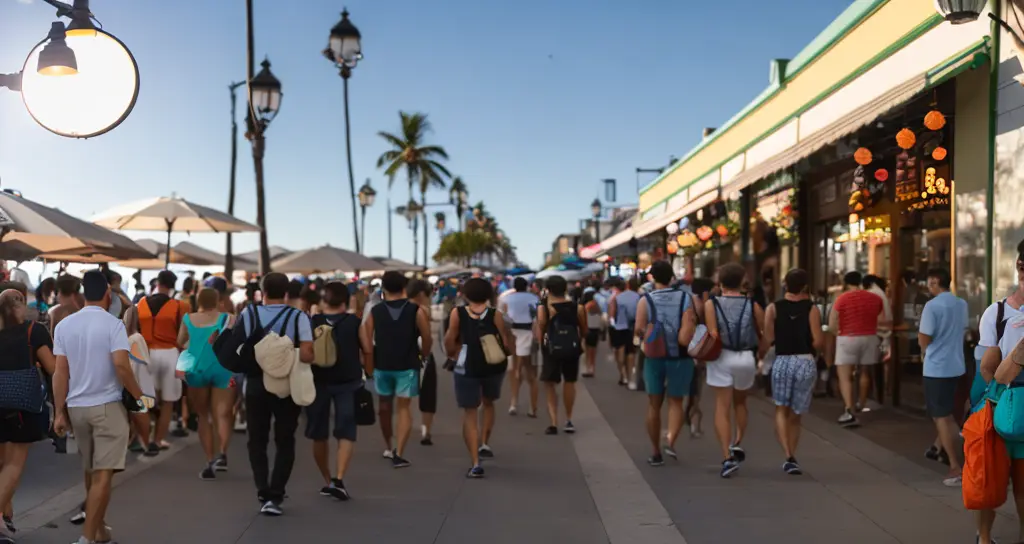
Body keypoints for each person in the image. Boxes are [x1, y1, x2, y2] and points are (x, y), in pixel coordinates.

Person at [52, 270, 148, 544]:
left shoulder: (65, 326)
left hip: (77, 408)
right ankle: (86, 539)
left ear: (83, 295)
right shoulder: (113, 325)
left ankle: (99, 530)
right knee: (103, 475)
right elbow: (120, 365)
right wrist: (140, 397)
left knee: (91, 471)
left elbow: (60, 372)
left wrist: (60, 411)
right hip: (107, 407)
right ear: (108, 293)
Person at [238, 273, 314, 516]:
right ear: (287, 292)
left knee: (256, 440)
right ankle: (276, 493)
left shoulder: (248, 314)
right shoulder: (299, 317)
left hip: (255, 384)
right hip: (286, 385)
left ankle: (263, 491)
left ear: (263, 290)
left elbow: (238, 348)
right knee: (285, 439)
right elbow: (307, 354)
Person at [0, 289, 57, 542]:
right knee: (14, 464)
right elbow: (53, 368)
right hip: (22, 404)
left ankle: (5, 518)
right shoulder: (34, 331)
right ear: (20, 306)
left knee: (2, 465)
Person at [360, 271, 431, 468]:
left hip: (382, 364)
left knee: (384, 407)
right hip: (408, 364)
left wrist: (367, 363)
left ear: (383, 288)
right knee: (404, 407)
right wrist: (423, 355)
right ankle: (399, 452)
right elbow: (426, 337)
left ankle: (388, 445)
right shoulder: (416, 310)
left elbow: (366, 339)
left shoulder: (376, 311)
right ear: (404, 288)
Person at [444, 278, 512, 478]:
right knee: (489, 403)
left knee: (470, 412)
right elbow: (505, 343)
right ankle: (484, 443)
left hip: (467, 364)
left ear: (465, 294)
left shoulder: (458, 313)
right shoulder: (496, 315)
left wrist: (452, 354)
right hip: (493, 365)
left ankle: (475, 463)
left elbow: (450, 339)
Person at [307, 281, 366, 500]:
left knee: (318, 434)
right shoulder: (354, 322)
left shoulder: (312, 322)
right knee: (346, 432)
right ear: (345, 300)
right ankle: (339, 479)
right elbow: (367, 348)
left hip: (318, 383)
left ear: (323, 300)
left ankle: (327, 479)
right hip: (348, 383)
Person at [761, 269, 823, 475]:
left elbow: (768, 338)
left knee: (781, 408)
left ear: (785, 284)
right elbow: (818, 341)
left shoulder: (773, 308)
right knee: (797, 413)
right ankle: (792, 455)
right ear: (805, 287)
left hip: (782, 361)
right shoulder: (812, 309)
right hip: (805, 361)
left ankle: (788, 454)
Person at [705, 262, 764, 478]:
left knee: (722, 406)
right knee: (741, 402)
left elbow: (712, 334)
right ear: (742, 283)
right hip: (746, 357)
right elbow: (763, 334)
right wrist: (761, 355)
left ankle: (726, 456)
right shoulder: (753, 305)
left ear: (720, 282)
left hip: (721, 356)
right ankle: (738, 440)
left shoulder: (712, 305)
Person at [633, 261, 694, 467]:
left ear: (652, 278)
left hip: (654, 357)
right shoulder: (686, 298)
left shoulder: (645, 300)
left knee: (654, 405)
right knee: (676, 402)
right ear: (671, 278)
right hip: (681, 357)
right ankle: (670, 441)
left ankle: (655, 451)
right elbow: (689, 327)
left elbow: (639, 329)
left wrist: (649, 333)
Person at [915, 267, 968, 487]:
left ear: (936, 281)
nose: (928, 285)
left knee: (942, 417)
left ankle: (956, 466)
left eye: (929, 281)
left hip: (936, 367)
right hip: (956, 364)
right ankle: (938, 447)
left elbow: (923, 338)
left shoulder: (932, 305)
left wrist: (925, 352)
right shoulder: (961, 303)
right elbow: (964, 329)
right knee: (946, 409)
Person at [178, 287, 236, 480]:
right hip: (223, 367)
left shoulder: (188, 319)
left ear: (198, 301)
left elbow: (180, 341)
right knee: (223, 414)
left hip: (196, 369)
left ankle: (209, 460)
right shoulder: (229, 318)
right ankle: (223, 455)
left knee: (203, 416)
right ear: (218, 300)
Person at [828, 271, 884, 428]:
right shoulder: (875, 298)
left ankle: (849, 410)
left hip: (848, 338)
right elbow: (880, 318)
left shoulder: (842, 298)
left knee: (845, 376)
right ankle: (862, 403)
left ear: (846, 283)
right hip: (870, 338)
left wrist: (836, 333)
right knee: (865, 372)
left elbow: (832, 322)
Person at [137, 270, 185, 451]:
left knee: (145, 399)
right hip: (170, 354)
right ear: (172, 286)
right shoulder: (180, 306)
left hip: (146, 353)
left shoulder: (140, 303)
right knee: (167, 402)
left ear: (157, 282)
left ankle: (143, 439)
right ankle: (157, 440)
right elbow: (183, 335)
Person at [536, 275, 587, 435]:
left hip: (551, 349)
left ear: (548, 290)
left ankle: (553, 421)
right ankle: (569, 419)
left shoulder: (543, 307)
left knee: (550, 383)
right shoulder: (577, 307)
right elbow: (584, 329)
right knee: (570, 381)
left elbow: (541, 328)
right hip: (572, 348)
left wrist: (541, 345)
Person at [499, 277, 540, 417]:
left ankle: (513, 402)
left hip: (512, 334)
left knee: (514, 370)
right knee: (531, 373)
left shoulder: (507, 299)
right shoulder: (533, 298)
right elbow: (537, 318)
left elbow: (502, 319)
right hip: (529, 334)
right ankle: (532, 407)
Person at [121, 306, 158, 457]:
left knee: (135, 413)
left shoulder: (128, 338)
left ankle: (140, 441)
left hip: (132, 379)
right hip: (140, 379)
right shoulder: (137, 337)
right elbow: (145, 362)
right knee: (140, 412)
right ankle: (143, 442)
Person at [406, 279, 439, 445]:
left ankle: (403, 428)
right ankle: (426, 430)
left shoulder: (399, 308)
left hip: (401, 356)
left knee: (404, 396)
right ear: (421, 294)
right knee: (427, 394)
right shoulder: (422, 310)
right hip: (420, 355)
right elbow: (427, 337)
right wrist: (426, 354)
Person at [685, 278, 715, 439]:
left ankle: (690, 413)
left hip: (688, 348)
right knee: (696, 388)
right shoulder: (703, 306)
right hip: (698, 349)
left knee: (692, 387)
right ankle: (694, 418)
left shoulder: (688, 301)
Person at [609, 278, 641, 389]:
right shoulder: (638, 297)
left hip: (619, 327)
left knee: (620, 353)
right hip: (632, 328)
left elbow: (612, 315)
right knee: (631, 353)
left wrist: (612, 325)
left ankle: (623, 375)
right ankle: (630, 377)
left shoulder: (617, 298)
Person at [582, 291, 602, 378]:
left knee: (587, 351)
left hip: (588, 328)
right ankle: (592, 368)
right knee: (593, 351)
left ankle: (588, 369)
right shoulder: (596, 305)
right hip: (596, 329)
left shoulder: (586, 306)